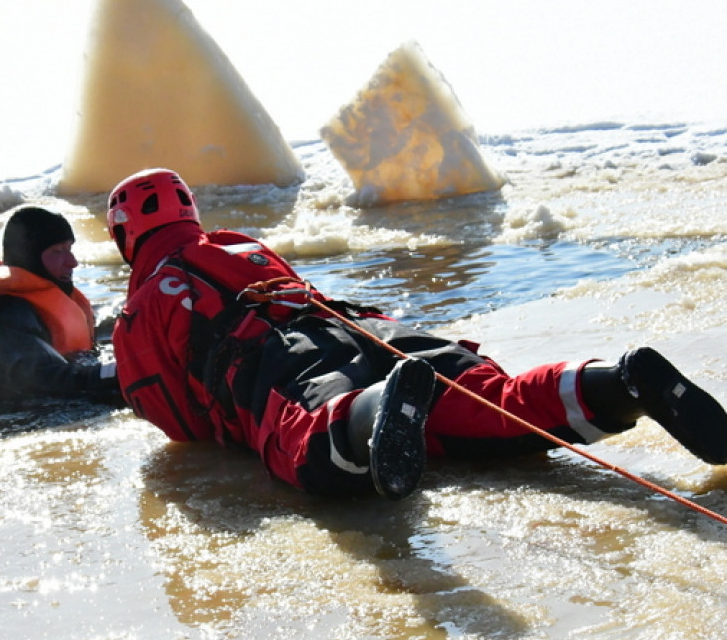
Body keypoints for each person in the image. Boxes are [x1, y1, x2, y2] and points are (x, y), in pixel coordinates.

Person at [106, 168, 727, 499]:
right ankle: (620, 384)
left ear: (124, 234)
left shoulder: (139, 310)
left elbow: (175, 416)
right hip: (363, 326)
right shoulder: (241, 246)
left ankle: (377, 410)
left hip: (284, 361)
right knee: (495, 402)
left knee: (308, 439)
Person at [0, 205, 120, 403]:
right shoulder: (1, 318)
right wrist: (123, 372)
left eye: (69, 249)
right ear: (30, 257)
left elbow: (101, 322)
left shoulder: (45, 295)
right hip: (10, 416)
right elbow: (47, 379)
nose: (72, 262)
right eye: (58, 251)